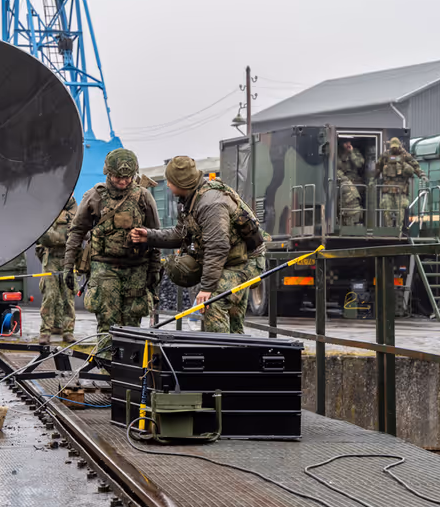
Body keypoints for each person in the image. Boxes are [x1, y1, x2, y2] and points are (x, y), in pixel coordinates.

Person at [129, 156, 267, 334]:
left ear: (180, 183)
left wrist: (207, 288)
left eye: (170, 181)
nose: (168, 185)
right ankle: (236, 355)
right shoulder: (190, 200)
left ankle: (219, 354)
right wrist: (149, 236)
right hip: (230, 260)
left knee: (213, 302)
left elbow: (217, 247)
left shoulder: (211, 203)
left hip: (246, 261)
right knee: (233, 322)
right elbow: (180, 234)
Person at [62, 149, 161, 357]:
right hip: (104, 268)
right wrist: (68, 267)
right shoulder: (95, 197)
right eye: (118, 177)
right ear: (108, 173)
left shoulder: (143, 197)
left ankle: (132, 370)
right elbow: (76, 232)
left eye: (127, 177)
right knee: (107, 321)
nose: (123, 182)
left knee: (133, 323)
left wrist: (154, 270)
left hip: (137, 268)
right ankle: (107, 367)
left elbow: (155, 237)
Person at [34, 196, 78, 343]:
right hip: (51, 259)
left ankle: (68, 332)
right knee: (50, 296)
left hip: (69, 258)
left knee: (68, 296)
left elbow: (77, 234)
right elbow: (44, 237)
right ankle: (45, 332)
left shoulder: (74, 209)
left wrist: (59, 238)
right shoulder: (48, 208)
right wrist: (65, 238)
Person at [374, 137, 427, 228]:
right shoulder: (385, 156)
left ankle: (398, 228)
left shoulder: (405, 155)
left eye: (396, 147)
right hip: (388, 187)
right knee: (387, 208)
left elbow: (415, 166)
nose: (394, 149)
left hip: (401, 188)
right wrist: (373, 179)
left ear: (399, 146)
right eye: (393, 147)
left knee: (400, 209)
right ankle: (389, 229)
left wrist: (422, 175)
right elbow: (378, 167)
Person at [337, 139, 365, 226]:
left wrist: (352, 153)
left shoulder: (355, 152)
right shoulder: (338, 153)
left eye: (349, 142)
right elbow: (335, 167)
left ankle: (356, 221)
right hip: (341, 182)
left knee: (355, 203)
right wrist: (343, 178)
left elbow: (359, 164)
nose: (348, 144)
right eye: (345, 143)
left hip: (355, 183)